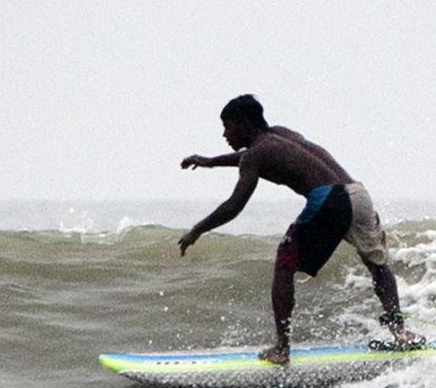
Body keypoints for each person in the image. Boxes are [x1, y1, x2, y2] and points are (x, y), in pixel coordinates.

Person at [178, 94, 422, 365]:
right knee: (377, 263)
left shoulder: (255, 155)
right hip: (357, 194)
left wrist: (197, 231)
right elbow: (251, 155)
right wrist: (211, 161)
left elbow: (235, 205)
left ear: (245, 124)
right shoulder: (281, 135)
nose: (224, 134)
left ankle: (281, 348)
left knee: (284, 265)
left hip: (330, 199)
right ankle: (400, 333)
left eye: (228, 126)